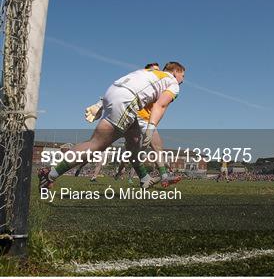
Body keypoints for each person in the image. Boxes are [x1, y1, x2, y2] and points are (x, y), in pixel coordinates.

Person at [39, 61, 185, 190]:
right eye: (182, 76)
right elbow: (161, 104)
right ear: (175, 72)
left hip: (113, 93)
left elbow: (125, 84)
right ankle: (51, 174)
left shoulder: (150, 72)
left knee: (133, 142)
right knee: (96, 145)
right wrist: (151, 127)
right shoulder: (172, 82)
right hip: (127, 101)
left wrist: (100, 104)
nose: (182, 80)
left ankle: (144, 178)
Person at [81, 63, 181, 187]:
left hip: (148, 120)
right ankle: (119, 171)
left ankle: (163, 177)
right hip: (134, 117)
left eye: (158, 70)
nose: (157, 72)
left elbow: (161, 105)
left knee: (157, 148)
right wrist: (98, 104)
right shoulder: (143, 79)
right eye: (154, 70)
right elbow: (122, 90)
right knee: (120, 151)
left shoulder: (161, 84)